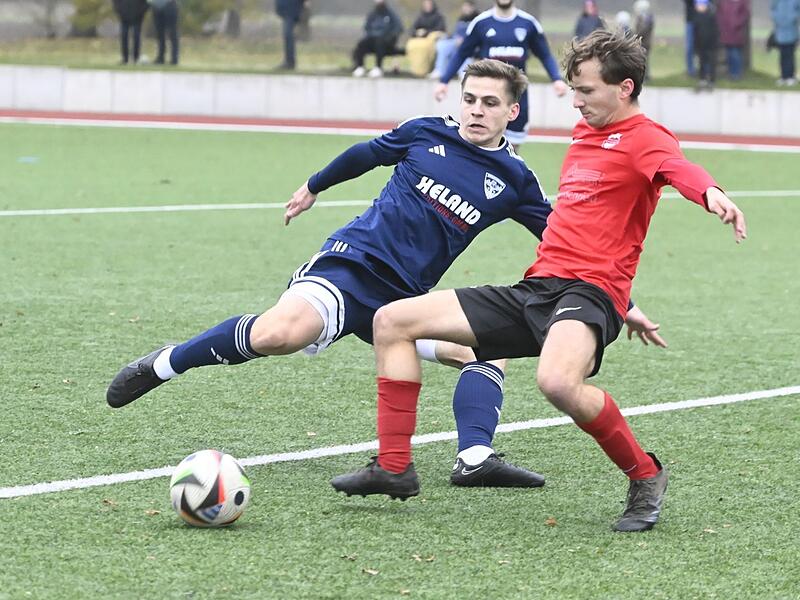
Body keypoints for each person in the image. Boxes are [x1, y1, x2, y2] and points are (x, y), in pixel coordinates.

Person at [107, 57, 664, 491]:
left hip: (403, 301)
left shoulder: (514, 179)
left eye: (489, 103)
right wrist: (315, 185)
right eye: (469, 98)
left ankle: (474, 458)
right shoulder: (425, 132)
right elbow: (367, 154)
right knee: (279, 335)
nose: (475, 110)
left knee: (480, 353)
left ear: (511, 113)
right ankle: (163, 363)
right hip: (351, 268)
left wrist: (624, 302)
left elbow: (568, 242)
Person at [332, 32, 747, 534]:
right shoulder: (584, 133)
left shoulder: (647, 137)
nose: (576, 100)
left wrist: (712, 194)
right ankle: (395, 467)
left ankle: (646, 475)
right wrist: (634, 306)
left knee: (557, 382)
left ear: (625, 88)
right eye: (573, 88)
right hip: (538, 288)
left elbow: (678, 167)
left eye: (587, 90)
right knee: (392, 319)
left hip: (589, 294)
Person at [434, 0, 569, 151]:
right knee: (480, 144)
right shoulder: (480, 23)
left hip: (517, 97)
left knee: (512, 149)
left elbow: (544, 55)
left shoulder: (528, 23)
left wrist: (556, 79)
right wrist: (443, 81)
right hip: (487, 97)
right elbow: (461, 53)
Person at [428, 1, 480, 80]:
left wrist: (465, 40)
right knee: (441, 45)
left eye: (468, 7)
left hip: (469, 44)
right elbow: (456, 33)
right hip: (456, 41)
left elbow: (478, 35)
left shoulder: (478, 19)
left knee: (464, 48)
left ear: (472, 7)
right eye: (464, 7)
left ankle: (463, 72)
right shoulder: (461, 18)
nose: (465, 9)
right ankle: (439, 70)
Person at [352, 0, 404, 78]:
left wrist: (389, 37)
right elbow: (367, 27)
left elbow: (398, 28)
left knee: (379, 42)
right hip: (372, 40)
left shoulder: (391, 14)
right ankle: (360, 67)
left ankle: (378, 68)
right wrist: (370, 35)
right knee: (361, 43)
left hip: (386, 42)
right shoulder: (373, 14)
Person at [405, 0, 447, 77]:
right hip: (419, 40)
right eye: (425, 4)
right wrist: (417, 32)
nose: (427, 6)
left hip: (431, 39)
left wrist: (426, 32)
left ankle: (425, 69)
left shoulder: (438, 16)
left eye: (429, 4)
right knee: (412, 45)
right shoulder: (420, 17)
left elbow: (440, 29)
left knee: (426, 47)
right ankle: (416, 70)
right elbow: (412, 29)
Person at [717, 0, 750, 80]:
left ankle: (737, 73)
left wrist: (736, 24)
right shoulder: (724, 2)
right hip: (726, 31)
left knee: (735, 52)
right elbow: (719, 14)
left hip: (736, 31)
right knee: (729, 53)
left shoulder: (742, 2)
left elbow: (745, 15)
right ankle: (731, 73)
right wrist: (721, 25)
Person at [771, 0, 800, 85]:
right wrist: (777, 19)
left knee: (790, 55)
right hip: (780, 32)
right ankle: (783, 76)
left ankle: (791, 76)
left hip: (791, 31)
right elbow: (773, 10)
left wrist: (792, 18)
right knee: (782, 55)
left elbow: (797, 11)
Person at [112, 0, 149, 65]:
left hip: (138, 16)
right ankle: (125, 58)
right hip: (124, 15)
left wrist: (142, 12)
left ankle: (136, 58)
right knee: (124, 36)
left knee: (136, 37)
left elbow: (146, 3)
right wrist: (119, 11)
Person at [694, 0, 719, 89]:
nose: (698, 7)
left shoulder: (711, 17)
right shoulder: (697, 18)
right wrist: (696, 46)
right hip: (701, 45)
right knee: (702, 63)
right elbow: (696, 33)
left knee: (712, 63)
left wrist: (714, 43)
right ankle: (702, 79)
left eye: (700, 6)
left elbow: (715, 32)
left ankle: (712, 80)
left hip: (711, 45)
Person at [275, 0, 305, 70]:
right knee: (287, 35)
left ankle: (290, 62)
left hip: (292, 9)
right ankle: (289, 61)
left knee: (288, 34)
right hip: (288, 9)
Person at [150, 0, 180, 66]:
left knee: (172, 33)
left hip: (170, 4)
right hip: (156, 6)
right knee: (159, 35)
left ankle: (174, 59)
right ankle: (160, 58)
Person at [633, 0, 655, 81]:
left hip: (645, 42)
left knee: (644, 59)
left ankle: (646, 76)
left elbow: (644, 30)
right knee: (641, 59)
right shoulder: (640, 17)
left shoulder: (648, 18)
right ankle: (643, 76)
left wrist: (636, 35)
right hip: (641, 41)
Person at [683, 0, 698, 76]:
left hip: (705, 19)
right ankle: (691, 70)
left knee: (705, 47)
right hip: (691, 20)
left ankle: (705, 70)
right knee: (690, 46)